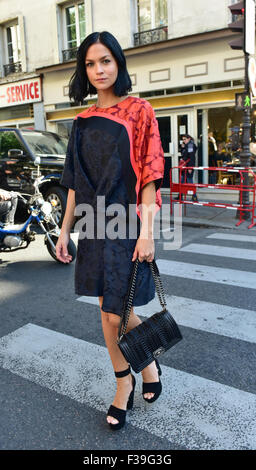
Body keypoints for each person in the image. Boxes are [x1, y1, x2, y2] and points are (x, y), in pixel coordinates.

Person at [56, 31, 165, 431]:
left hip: (128, 223)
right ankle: (135, 373)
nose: (98, 70)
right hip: (94, 225)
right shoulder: (81, 122)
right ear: (84, 70)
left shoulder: (139, 111)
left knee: (114, 312)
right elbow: (73, 183)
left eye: (105, 60)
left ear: (118, 63)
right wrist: (64, 231)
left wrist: (148, 231)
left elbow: (150, 176)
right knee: (111, 314)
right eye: (90, 63)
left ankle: (134, 374)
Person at [175, 134, 198, 201]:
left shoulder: (190, 145)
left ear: (189, 139)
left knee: (189, 181)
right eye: (183, 139)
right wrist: (182, 148)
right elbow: (183, 154)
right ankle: (180, 195)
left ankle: (194, 196)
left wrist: (190, 167)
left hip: (188, 166)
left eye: (185, 139)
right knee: (182, 181)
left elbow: (192, 157)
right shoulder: (186, 145)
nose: (183, 141)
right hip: (184, 166)